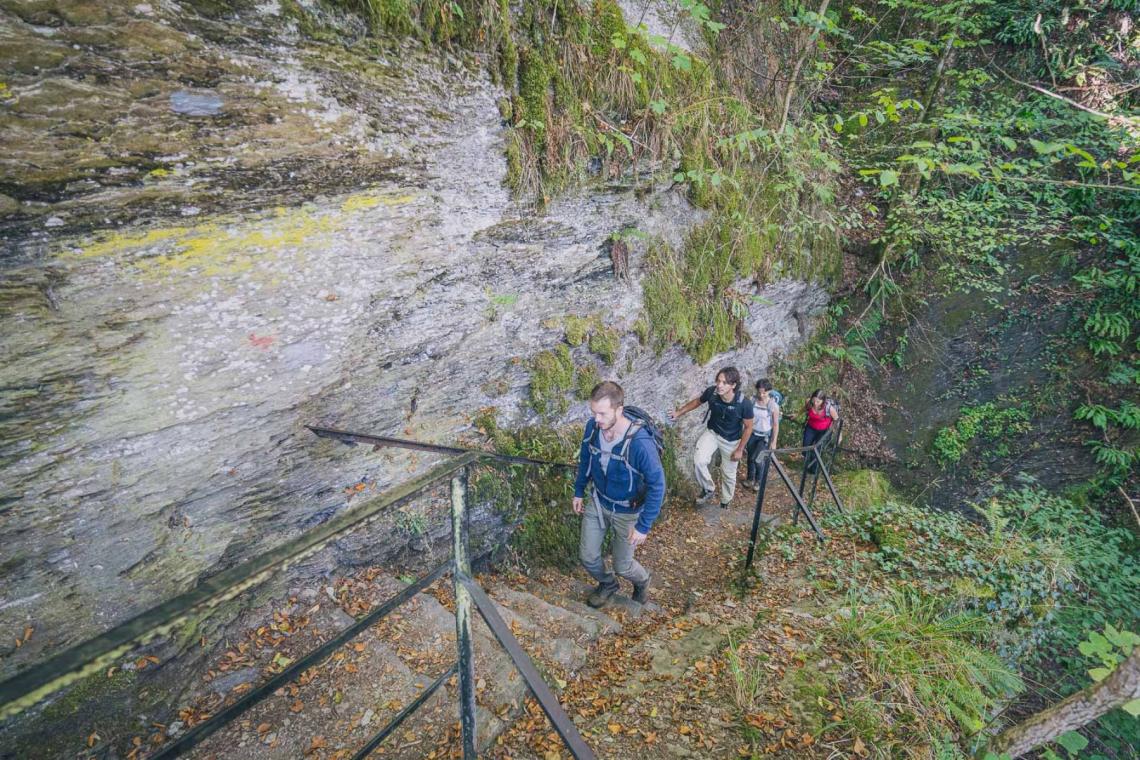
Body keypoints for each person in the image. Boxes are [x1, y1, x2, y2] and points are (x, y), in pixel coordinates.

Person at [573, 381, 666, 607]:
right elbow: (585, 459)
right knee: (588, 556)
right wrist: (578, 491)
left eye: (602, 414)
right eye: (594, 413)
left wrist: (644, 525)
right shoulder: (593, 428)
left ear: (619, 410)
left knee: (623, 565)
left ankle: (642, 581)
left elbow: (658, 484)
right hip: (598, 501)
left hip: (628, 510)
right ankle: (608, 584)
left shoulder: (640, 444)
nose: (597, 419)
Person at [669, 367, 754, 509]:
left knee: (728, 473)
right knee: (699, 460)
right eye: (718, 381)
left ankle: (725, 501)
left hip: (731, 440)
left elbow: (749, 427)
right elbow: (698, 401)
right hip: (713, 433)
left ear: (733, 385)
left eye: (724, 382)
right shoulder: (712, 393)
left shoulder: (744, 404)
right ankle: (708, 488)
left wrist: (740, 449)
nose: (719, 385)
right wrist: (679, 412)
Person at [743, 378, 780, 490]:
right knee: (750, 457)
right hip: (752, 433)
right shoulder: (752, 401)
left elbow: (775, 424)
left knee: (757, 459)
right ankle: (750, 479)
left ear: (769, 391)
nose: (761, 394)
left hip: (764, 436)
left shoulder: (773, 405)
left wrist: (774, 442)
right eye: (759, 392)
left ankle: (759, 481)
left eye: (764, 392)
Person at [802, 389, 839, 472]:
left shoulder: (829, 408)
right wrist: (796, 415)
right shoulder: (810, 403)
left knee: (817, 450)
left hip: (823, 431)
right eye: (814, 400)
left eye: (818, 401)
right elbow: (805, 408)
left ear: (823, 401)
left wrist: (837, 433)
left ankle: (813, 470)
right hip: (811, 427)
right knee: (805, 447)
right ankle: (809, 463)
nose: (815, 403)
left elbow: (837, 419)